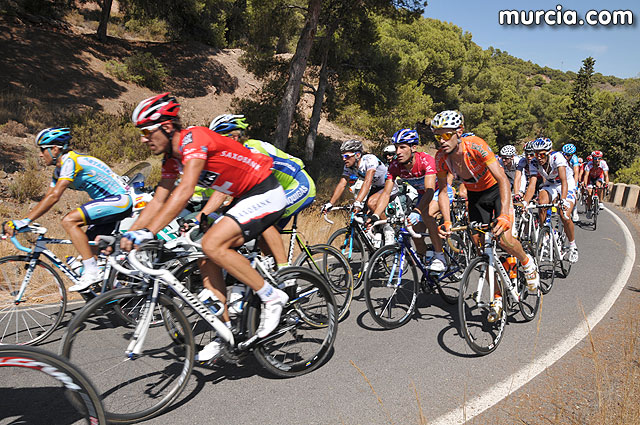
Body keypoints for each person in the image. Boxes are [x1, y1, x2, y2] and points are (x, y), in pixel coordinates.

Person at [123, 93, 289, 362]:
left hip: (264, 192)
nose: (143, 139)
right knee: (202, 253)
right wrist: (130, 233)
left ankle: (271, 296)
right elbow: (159, 200)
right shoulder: (171, 160)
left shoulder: (194, 139)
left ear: (166, 127)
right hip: (243, 198)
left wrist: (149, 232)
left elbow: (186, 189)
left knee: (212, 243)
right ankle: (224, 332)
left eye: (146, 132)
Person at [432, 110, 539, 321]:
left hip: (496, 190)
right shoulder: (441, 158)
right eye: (437, 136)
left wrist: (505, 216)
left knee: (505, 238)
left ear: (459, 132)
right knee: (483, 249)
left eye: (446, 135)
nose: (442, 141)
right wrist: (446, 221)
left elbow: (502, 180)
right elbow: (444, 192)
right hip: (475, 197)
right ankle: (497, 297)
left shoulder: (476, 145)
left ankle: (527, 262)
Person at [3, 127, 133, 292]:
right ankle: (119, 293)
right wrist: (26, 220)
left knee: (69, 221)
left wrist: (25, 221)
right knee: (90, 251)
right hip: (109, 203)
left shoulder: (70, 161)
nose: (40, 154)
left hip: (119, 200)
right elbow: (48, 197)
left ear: (55, 149)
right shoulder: (58, 171)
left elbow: (55, 197)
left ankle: (92, 273)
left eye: (43, 149)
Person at [207, 113, 316, 270]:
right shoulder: (235, 156)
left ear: (234, 137)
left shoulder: (252, 149)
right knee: (261, 235)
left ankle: (286, 271)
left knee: (263, 217)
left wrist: (201, 217)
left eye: (220, 139)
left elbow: (234, 192)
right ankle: (274, 271)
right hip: (277, 190)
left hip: (298, 184)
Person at [384, 128, 452, 271]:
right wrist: (375, 216)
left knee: (427, 214)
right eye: (396, 148)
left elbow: (430, 190)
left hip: (438, 191)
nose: (398, 152)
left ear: (413, 148)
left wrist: (417, 211)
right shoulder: (395, 166)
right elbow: (385, 193)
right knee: (414, 230)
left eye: (402, 147)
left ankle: (440, 256)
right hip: (423, 195)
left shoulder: (426, 160)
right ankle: (424, 262)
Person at [523, 137, 579, 263]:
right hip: (551, 184)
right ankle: (546, 235)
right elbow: (532, 184)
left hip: (566, 184)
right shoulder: (534, 162)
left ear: (548, 153)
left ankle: (572, 246)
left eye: (542, 154)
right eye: (536, 154)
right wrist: (525, 203)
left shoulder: (557, 157)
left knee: (564, 215)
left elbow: (564, 181)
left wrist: (563, 200)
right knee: (541, 203)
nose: (539, 157)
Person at [321, 139, 395, 217]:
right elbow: (342, 184)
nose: (344, 159)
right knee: (364, 214)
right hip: (376, 187)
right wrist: (330, 203)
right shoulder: (349, 167)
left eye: (346, 156)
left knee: (371, 203)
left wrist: (358, 201)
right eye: (342, 156)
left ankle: (387, 227)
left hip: (389, 185)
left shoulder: (369, 159)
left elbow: (367, 181)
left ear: (357, 155)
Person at [583, 150, 609, 217]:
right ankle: (589, 209)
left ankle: (600, 201)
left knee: (599, 186)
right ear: (593, 159)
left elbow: (606, 175)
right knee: (589, 193)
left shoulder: (603, 163)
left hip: (598, 177)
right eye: (595, 158)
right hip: (590, 178)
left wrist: (607, 184)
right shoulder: (589, 164)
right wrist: (585, 185)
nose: (597, 160)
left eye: (599, 158)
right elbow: (586, 175)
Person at [561, 143, 581, 222]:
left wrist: (575, 186)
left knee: (573, 195)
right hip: (563, 176)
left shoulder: (574, 159)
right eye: (565, 154)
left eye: (569, 155)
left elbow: (576, 173)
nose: (566, 156)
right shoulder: (561, 157)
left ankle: (575, 210)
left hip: (571, 178)